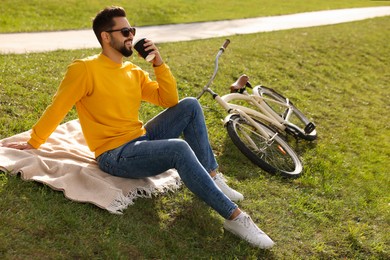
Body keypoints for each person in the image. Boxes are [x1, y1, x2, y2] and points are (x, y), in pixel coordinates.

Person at [4, 6, 274, 249]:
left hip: (139, 140)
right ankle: (235, 217)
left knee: (190, 105)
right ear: (106, 37)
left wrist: (159, 63)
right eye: (124, 31)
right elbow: (58, 106)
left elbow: (168, 100)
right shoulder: (84, 69)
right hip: (114, 156)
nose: (131, 35)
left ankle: (212, 176)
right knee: (179, 148)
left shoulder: (132, 72)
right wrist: (35, 141)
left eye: (131, 30)